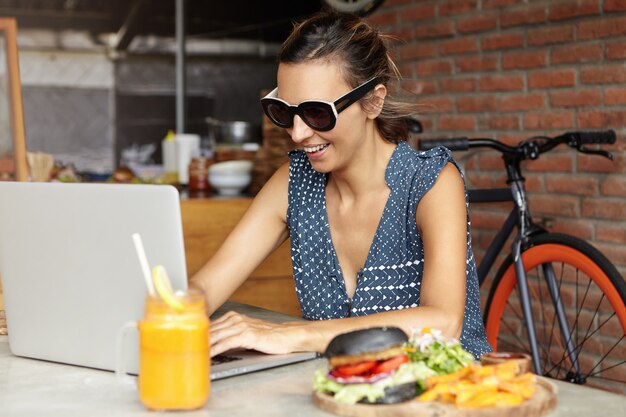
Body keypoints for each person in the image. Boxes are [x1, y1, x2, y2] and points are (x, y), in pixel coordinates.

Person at [189, 11, 492, 359]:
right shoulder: (294, 183)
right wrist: (173, 313)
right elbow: (205, 287)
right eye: (285, 113)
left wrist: (293, 335)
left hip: (448, 398)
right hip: (342, 397)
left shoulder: (431, 183)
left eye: (318, 113)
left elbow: (443, 323)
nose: (298, 133)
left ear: (374, 100)